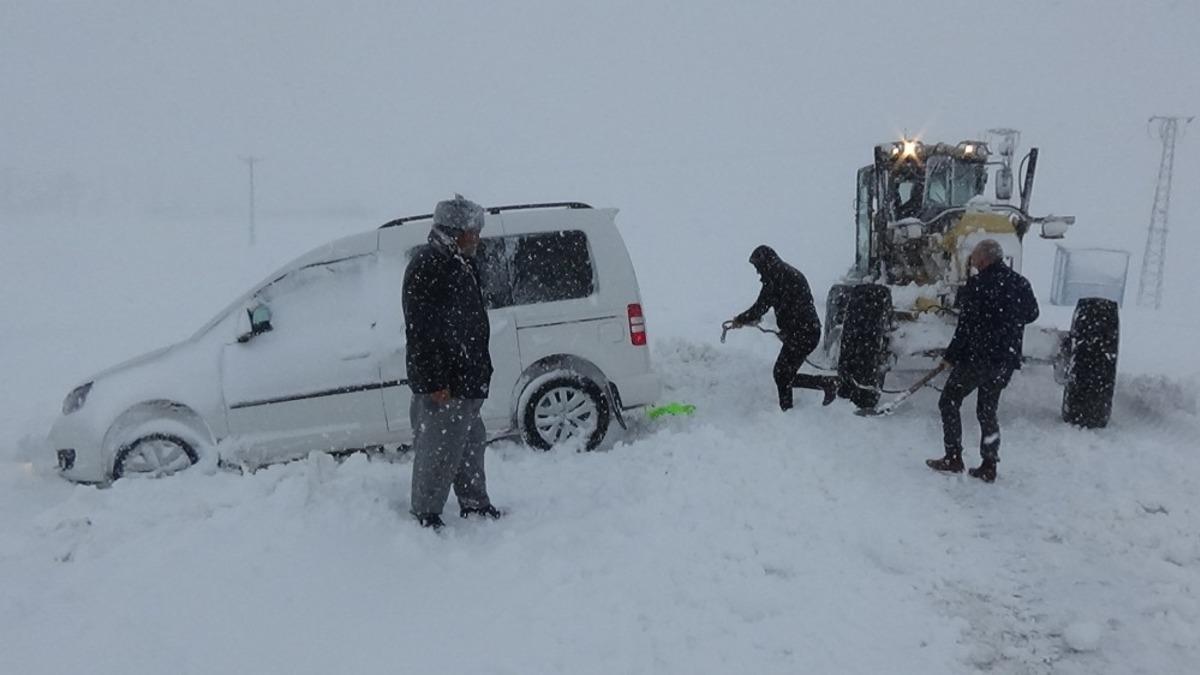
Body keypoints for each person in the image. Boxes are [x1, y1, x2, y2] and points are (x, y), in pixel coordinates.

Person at [403, 194, 502, 530]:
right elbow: (421, 331)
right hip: (446, 384)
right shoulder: (429, 265)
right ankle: (426, 513)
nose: (477, 236)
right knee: (438, 450)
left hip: (467, 378)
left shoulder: (461, 262)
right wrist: (434, 382)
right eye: (473, 230)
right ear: (454, 230)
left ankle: (474, 502)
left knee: (470, 443)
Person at [926, 239, 1040, 483]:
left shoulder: (977, 286)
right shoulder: (1020, 283)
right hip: (1004, 361)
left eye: (975, 257)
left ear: (985, 259)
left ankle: (953, 457)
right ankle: (989, 465)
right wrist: (1008, 322)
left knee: (949, 401)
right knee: (988, 411)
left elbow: (964, 328)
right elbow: (1032, 314)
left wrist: (950, 357)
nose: (973, 261)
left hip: (977, 359)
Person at [730, 245, 839, 411]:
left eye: (758, 267)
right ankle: (824, 384)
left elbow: (760, 307)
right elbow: (783, 306)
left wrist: (740, 319)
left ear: (765, 264)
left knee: (782, 374)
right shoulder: (785, 274)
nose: (758, 273)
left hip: (803, 334)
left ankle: (790, 408)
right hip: (805, 332)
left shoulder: (777, 279)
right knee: (783, 374)